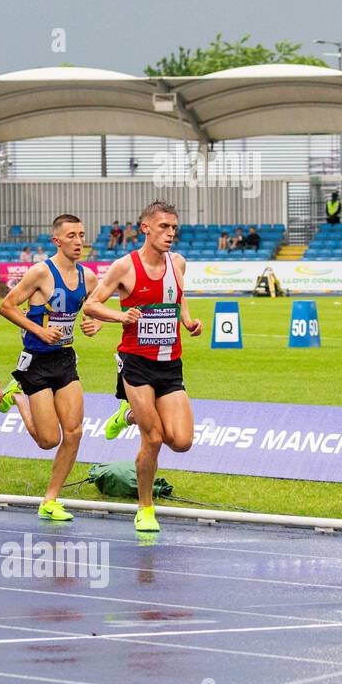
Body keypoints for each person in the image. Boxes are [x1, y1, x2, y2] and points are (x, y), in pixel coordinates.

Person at [85, 199, 202, 533]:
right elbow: (92, 305)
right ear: (145, 228)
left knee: (181, 441)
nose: (170, 234)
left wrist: (189, 322)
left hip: (170, 365)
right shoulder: (125, 267)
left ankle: (129, 415)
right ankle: (145, 507)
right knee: (152, 439)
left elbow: (177, 296)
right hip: (136, 363)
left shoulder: (178, 263)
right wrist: (120, 316)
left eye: (174, 228)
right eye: (163, 227)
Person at [0, 214, 102, 521]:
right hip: (36, 362)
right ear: (57, 241)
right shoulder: (40, 272)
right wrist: (39, 330)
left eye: (81, 235)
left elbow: (95, 307)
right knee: (48, 440)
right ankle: (17, 394)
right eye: (71, 236)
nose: (79, 241)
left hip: (65, 359)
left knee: (74, 431)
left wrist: (92, 322)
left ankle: (50, 500)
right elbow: (6, 306)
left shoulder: (89, 277)